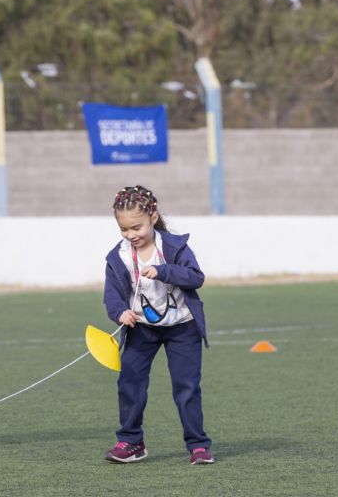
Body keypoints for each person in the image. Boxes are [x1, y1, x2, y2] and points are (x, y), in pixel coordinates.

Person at [102, 185, 214, 465]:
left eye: (136, 227)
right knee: (129, 382)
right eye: (124, 230)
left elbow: (195, 277)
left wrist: (164, 271)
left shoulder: (175, 247)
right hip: (141, 329)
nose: (131, 235)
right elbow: (112, 296)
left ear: (153, 216)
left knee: (186, 387)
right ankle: (131, 442)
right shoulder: (118, 257)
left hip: (183, 328)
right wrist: (120, 314)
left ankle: (198, 445)